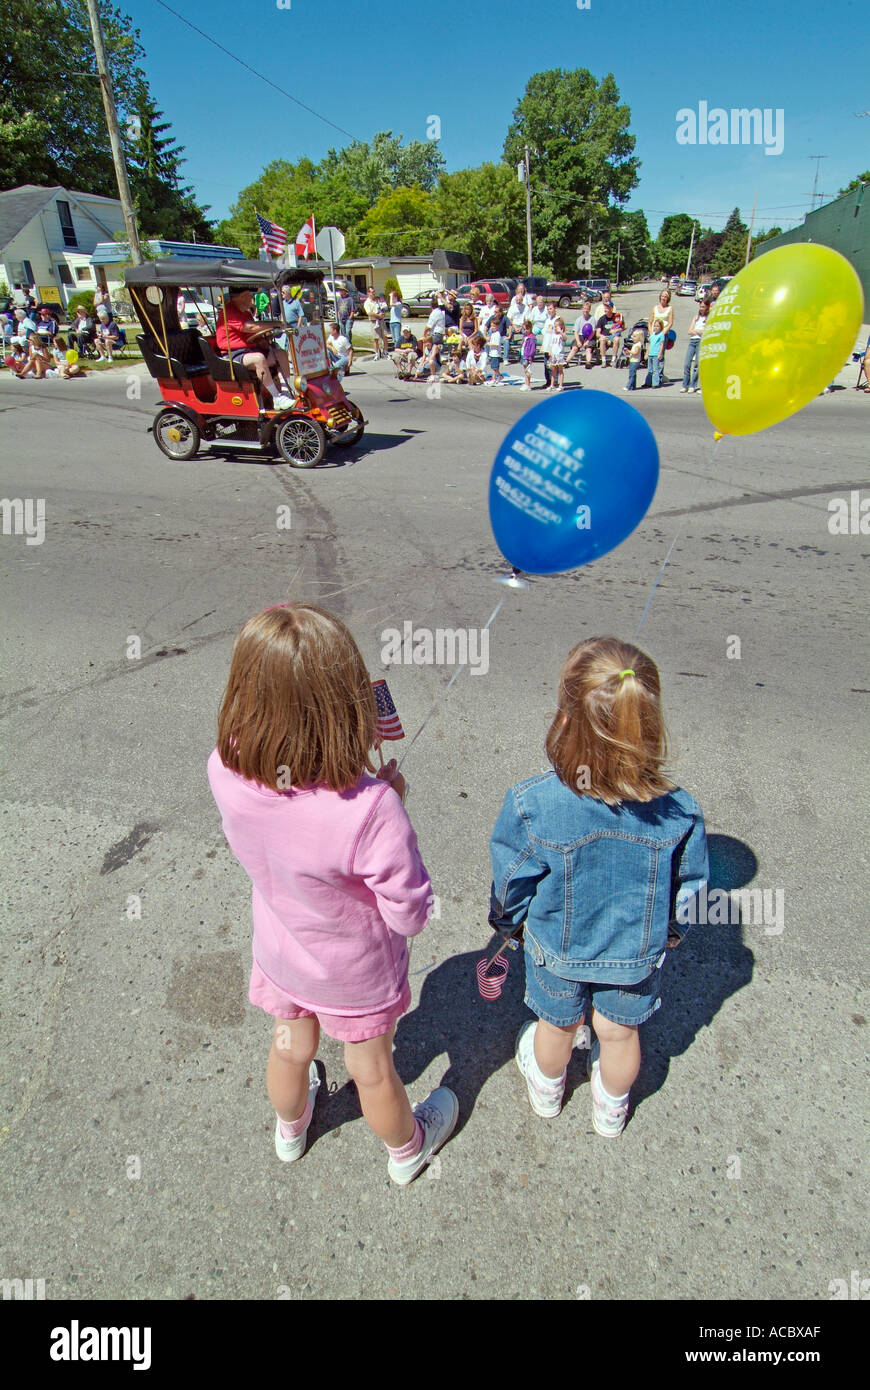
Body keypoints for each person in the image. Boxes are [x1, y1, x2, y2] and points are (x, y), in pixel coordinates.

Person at [207, 603, 458, 1182]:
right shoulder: (370, 809)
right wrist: (388, 803)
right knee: (371, 1068)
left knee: (291, 1047)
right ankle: (408, 1148)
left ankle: (291, 1130)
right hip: (355, 974)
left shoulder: (225, 766)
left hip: (282, 953)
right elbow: (411, 912)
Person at [489, 636, 708, 1136]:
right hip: (634, 953)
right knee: (619, 1031)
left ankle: (547, 1092)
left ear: (564, 722)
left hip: (558, 951)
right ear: (647, 728)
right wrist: (669, 935)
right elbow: (689, 888)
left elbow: (512, 881)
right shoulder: (681, 811)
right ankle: (611, 1111)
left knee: (557, 1025)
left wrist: (509, 926)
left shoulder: (533, 803)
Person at [214, 286, 294, 410]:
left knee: (281, 354)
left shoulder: (246, 313)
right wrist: (277, 323)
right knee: (259, 358)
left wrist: (262, 339)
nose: (252, 299)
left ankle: (287, 391)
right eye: (250, 296)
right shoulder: (229, 311)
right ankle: (276, 397)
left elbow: (252, 333)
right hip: (232, 354)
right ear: (242, 297)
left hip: (249, 350)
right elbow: (250, 327)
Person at [681, 303, 708, 393]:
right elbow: (689, 331)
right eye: (700, 307)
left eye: (703, 307)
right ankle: (685, 385)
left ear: (706, 308)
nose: (701, 308)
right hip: (692, 341)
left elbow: (706, 331)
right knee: (687, 364)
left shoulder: (707, 318)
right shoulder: (696, 317)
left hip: (700, 341)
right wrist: (698, 331)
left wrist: (696, 331)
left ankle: (693, 385)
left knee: (697, 364)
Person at [566, 303, 596, 368]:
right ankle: (567, 361)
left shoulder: (592, 319)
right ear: (582, 309)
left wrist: (588, 341)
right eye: (584, 309)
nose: (586, 310)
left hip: (589, 336)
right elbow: (575, 331)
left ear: (589, 310)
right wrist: (578, 341)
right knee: (574, 348)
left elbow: (593, 332)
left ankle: (588, 362)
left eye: (587, 309)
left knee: (588, 349)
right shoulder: (579, 319)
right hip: (580, 336)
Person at [595, 302, 623, 368]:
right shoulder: (602, 319)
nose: (605, 309)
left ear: (611, 308)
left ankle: (613, 360)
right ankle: (603, 360)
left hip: (613, 336)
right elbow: (597, 333)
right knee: (602, 339)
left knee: (617, 339)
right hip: (605, 336)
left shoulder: (616, 317)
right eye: (605, 308)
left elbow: (624, 327)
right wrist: (602, 336)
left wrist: (616, 330)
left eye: (607, 308)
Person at [363, 287, 387, 358]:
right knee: (375, 338)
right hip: (373, 321)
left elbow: (382, 307)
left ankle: (385, 352)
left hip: (381, 321)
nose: (373, 293)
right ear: (368, 293)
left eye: (374, 292)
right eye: (372, 292)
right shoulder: (367, 302)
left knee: (385, 336)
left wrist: (382, 314)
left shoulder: (377, 300)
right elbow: (369, 313)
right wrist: (378, 315)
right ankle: (377, 354)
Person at [335, 284, 356, 365]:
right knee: (343, 333)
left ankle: (349, 346)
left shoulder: (350, 299)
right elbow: (337, 309)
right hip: (341, 318)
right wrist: (338, 315)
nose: (340, 291)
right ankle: (345, 347)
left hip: (348, 318)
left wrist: (350, 317)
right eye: (339, 290)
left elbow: (352, 310)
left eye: (341, 290)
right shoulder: (339, 299)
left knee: (347, 332)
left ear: (345, 291)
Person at [644, 318, 666, 388]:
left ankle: (655, 383)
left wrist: (660, 353)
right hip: (650, 354)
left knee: (655, 370)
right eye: (655, 326)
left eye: (658, 326)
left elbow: (662, 344)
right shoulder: (652, 335)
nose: (656, 327)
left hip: (656, 354)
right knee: (650, 369)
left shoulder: (661, 335)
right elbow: (650, 344)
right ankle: (648, 382)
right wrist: (647, 353)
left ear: (661, 327)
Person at [548, 317, 567, 390]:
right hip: (554, 354)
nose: (555, 328)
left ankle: (561, 385)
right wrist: (550, 351)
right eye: (554, 326)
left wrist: (561, 332)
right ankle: (552, 385)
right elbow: (551, 344)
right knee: (553, 370)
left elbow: (565, 338)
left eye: (556, 326)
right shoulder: (553, 334)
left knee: (560, 370)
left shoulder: (561, 334)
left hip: (559, 354)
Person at [521, 319, 537, 390]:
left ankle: (528, 384)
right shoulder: (525, 336)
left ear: (530, 328)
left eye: (527, 329)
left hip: (528, 356)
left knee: (528, 370)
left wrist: (530, 357)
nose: (525, 331)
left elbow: (532, 349)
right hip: (523, 355)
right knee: (525, 370)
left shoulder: (532, 338)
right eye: (524, 329)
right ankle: (526, 383)